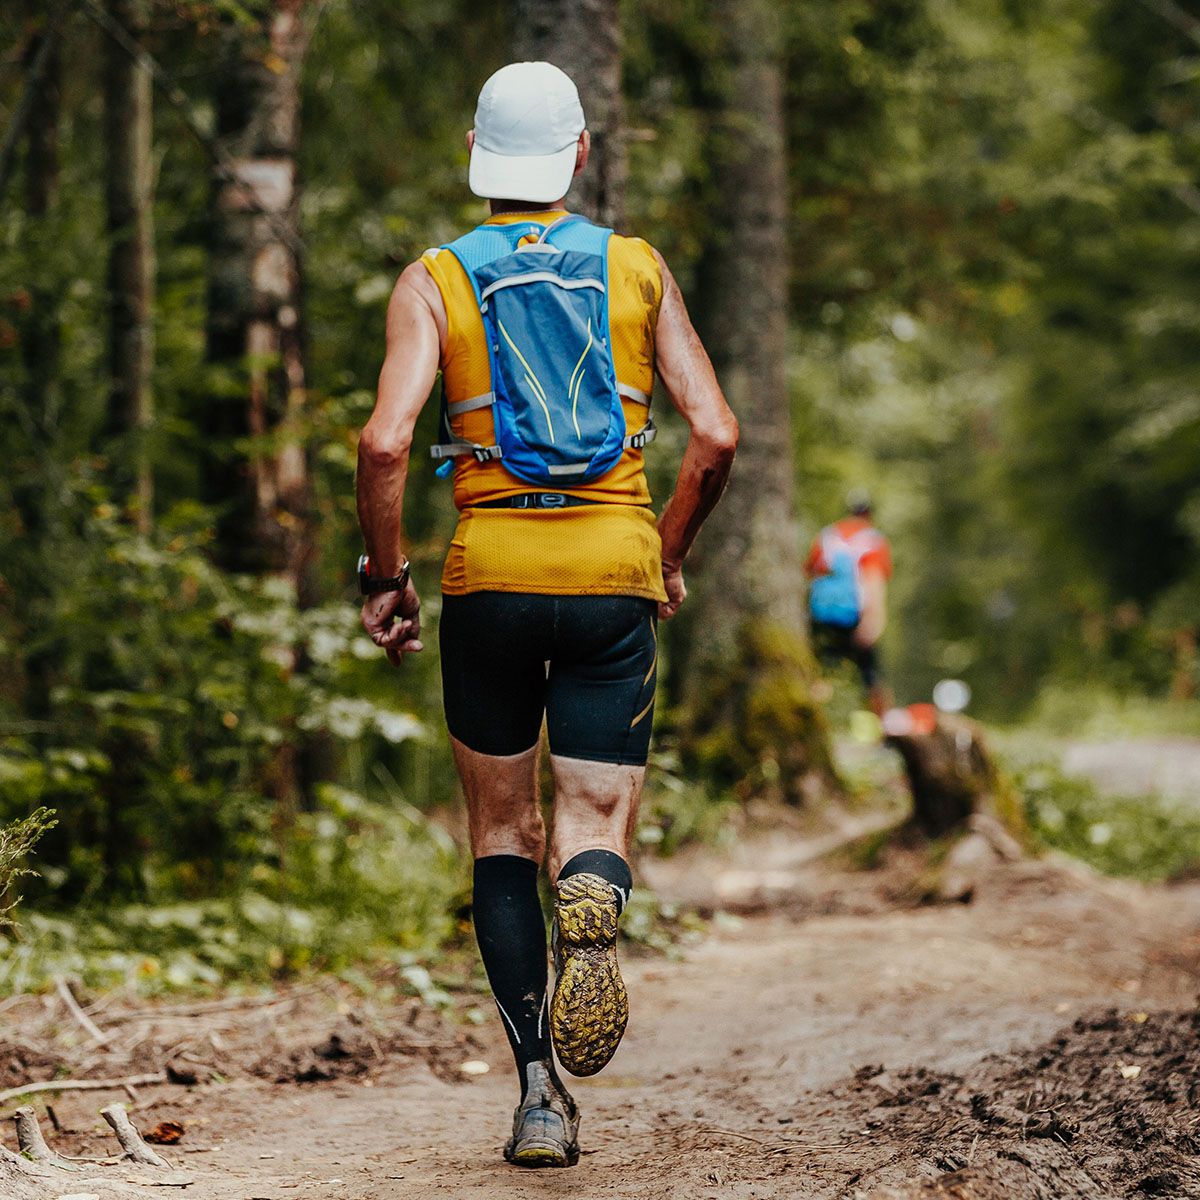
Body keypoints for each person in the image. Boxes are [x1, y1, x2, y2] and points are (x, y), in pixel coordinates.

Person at [354, 62, 738, 1168]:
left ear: (474, 151)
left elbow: (385, 441)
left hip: (492, 578)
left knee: (500, 836)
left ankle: (535, 1094)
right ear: (579, 153)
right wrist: (666, 554)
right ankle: (594, 892)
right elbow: (715, 435)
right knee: (590, 823)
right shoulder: (636, 267)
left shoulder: (434, 278)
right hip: (612, 571)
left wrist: (386, 575)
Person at [805, 488, 893, 717]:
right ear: (869, 513)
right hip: (853, 617)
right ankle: (884, 727)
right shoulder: (873, 541)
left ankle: (817, 718)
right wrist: (873, 621)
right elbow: (873, 582)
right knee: (871, 677)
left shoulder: (827, 537)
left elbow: (811, 574)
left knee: (821, 673)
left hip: (821, 616)